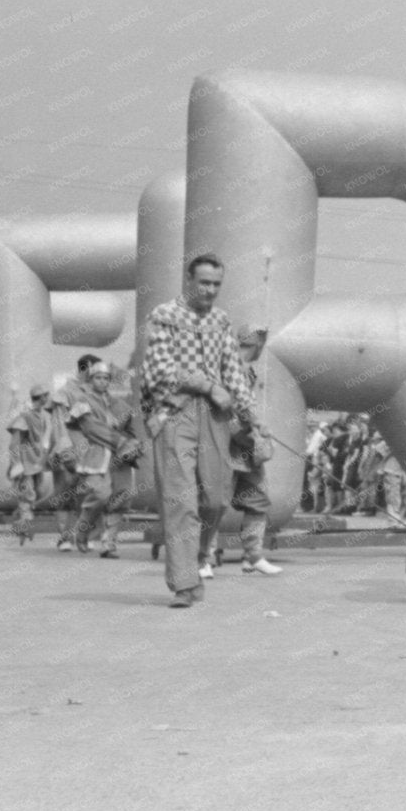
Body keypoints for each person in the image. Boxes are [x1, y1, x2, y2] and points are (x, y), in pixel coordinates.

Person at [141, 253, 249, 608]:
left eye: (216, 284)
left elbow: (233, 368)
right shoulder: (164, 315)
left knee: (216, 498)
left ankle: (199, 553)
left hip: (215, 417)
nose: (210, 290)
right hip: (175, 414)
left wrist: (249, 413)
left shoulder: (221, 320)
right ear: (188, 281)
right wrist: (205, 385)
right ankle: (184, 583)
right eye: (204, 282)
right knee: (180, 500)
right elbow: (159, 369)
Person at [199, 323, 284, 576]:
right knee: (215, 504)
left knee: (257, 502)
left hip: (246, 449)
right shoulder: (221, 370)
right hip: (223, 445)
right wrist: (252, 433)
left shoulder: (249, 372)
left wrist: (256, 432)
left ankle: (253, 556)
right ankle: (204, 558)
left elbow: (246, 410)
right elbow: (225, 413)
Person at [64, 354, 144, 557]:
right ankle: (83, 529)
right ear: (91, 379)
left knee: (122, 497)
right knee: (100, 494)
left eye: (106, 378)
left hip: (121, 459)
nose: (102, 382)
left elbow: (132, 430)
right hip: (96, 455)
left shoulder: (121, 405)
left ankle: (109, 544)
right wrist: (121, 441)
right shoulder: (83, 401)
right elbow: (92, 428)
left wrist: (134, 445)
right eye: (98, 378)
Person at [5, 382, 72, 545]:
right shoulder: (24, 417)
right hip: (26, 461)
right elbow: (14, 443)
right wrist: (16, 464)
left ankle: (23, 517)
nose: (47, 398)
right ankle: (24, 522)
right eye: (45, 396)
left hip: (39, 461)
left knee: (39, 491)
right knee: (27, 492)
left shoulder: (47, 416)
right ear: (39, 398)